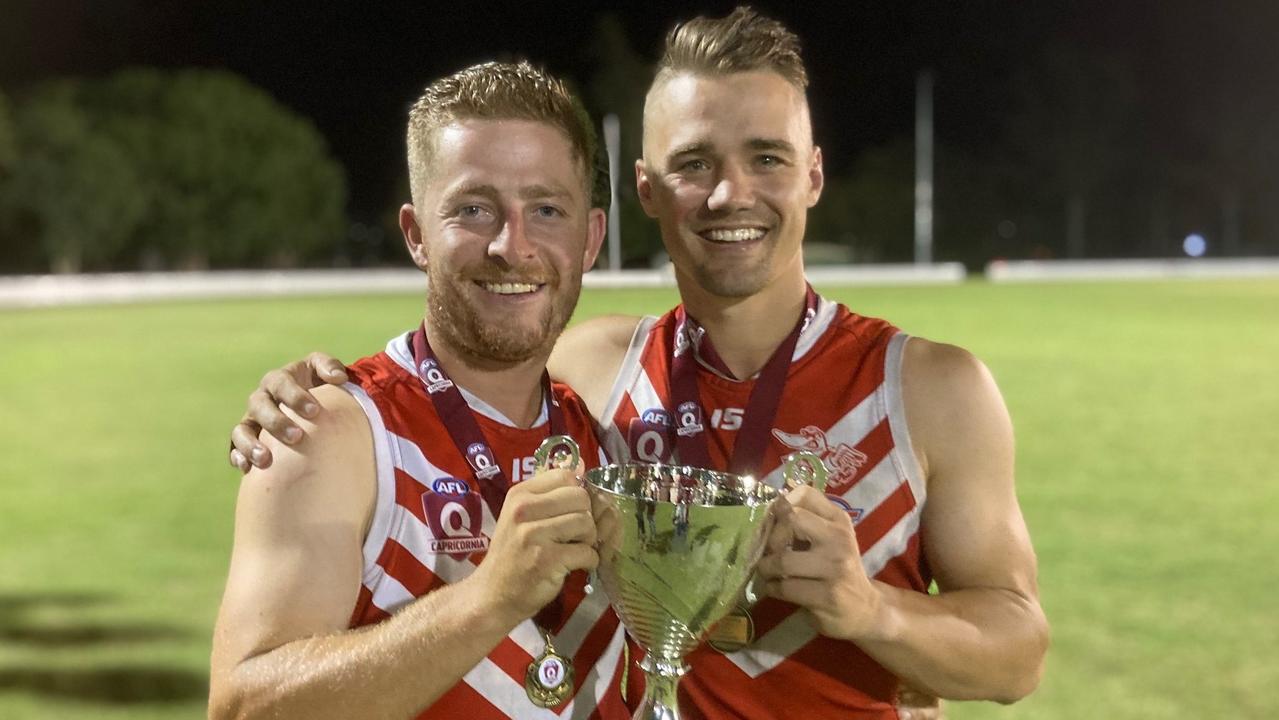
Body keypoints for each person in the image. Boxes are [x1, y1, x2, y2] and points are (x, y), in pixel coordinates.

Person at [228, 8, 1050, 719]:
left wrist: (877, 614)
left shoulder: (928, 387)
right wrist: (301, 398)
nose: (730, 193)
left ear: (812, 176)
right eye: (694, 163)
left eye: (765, 157)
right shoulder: (596, 373)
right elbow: (463, 354)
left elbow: (1017, 654)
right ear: (647, 190)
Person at [208, 61, 639, 720]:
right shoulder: (329, 433)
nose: (510, 245)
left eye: (546, 209)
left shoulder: (604, 432)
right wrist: (488, 596)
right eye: (472, 208)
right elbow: (244, 707)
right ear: (416, 235)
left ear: (591, 239)